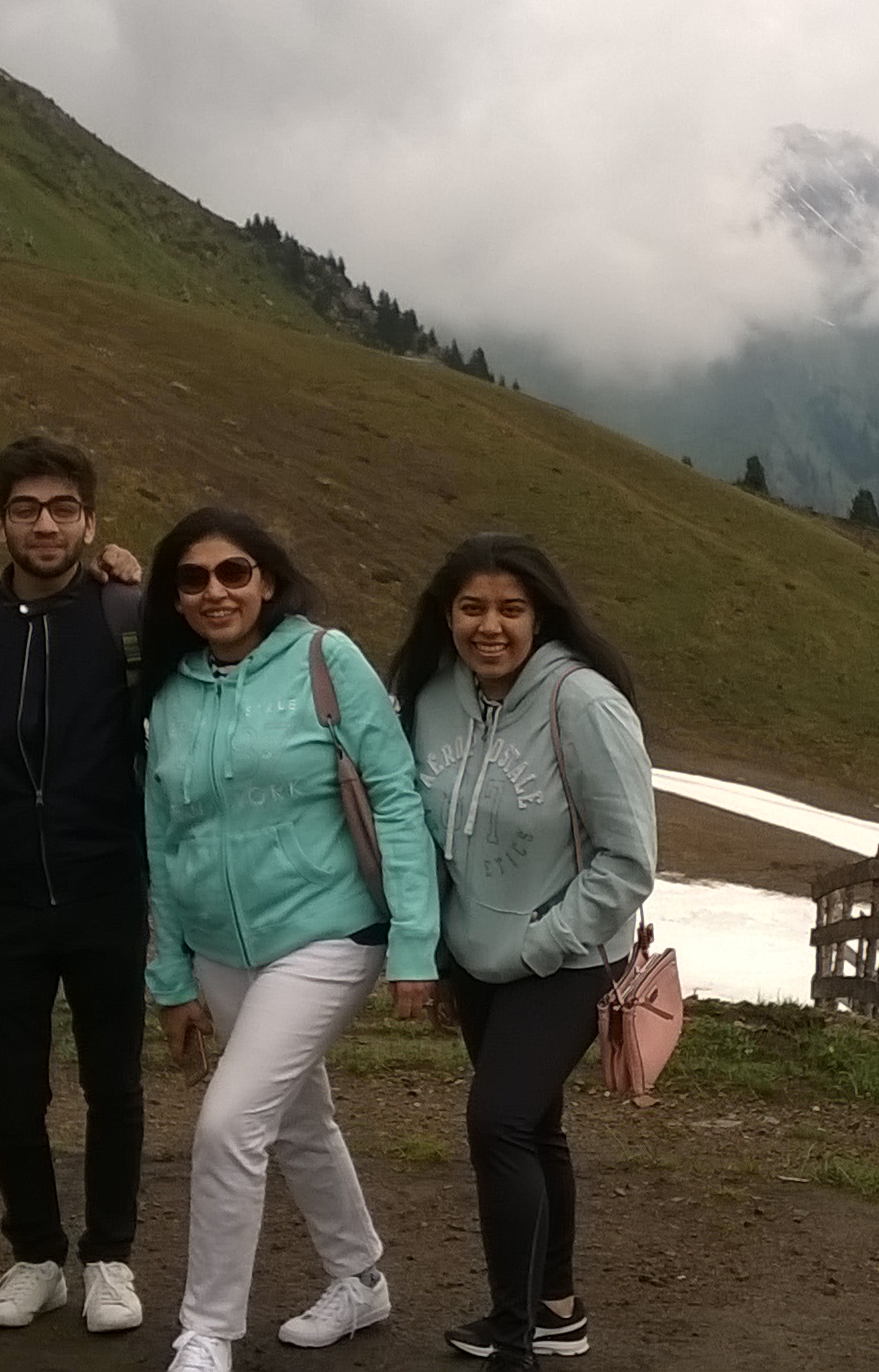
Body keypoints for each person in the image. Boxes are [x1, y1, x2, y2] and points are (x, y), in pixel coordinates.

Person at [137, 508, 439, 1372]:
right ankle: (361, 1279)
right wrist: (169, 976)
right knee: (298, 1120)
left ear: (267, 578)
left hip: (327, 931)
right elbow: (162, 839)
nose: (215, 592)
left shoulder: (325, 659)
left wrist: (415, 945)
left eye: (234, 572)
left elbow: (395, 801)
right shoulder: (170, 689)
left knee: (229, 1124)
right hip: (216, 948)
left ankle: (206, 1332)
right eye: (192, 579)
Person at [387, 535, 656, 1372]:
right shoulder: (429, 696)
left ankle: (513, 1342)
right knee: (533, 1128)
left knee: (497, 1121)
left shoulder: (583, 703)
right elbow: (419, 832)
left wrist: (542, 942)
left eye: (510, 609)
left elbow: (629, 861)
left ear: (542, 614)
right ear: (446, 614)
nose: (490, 627)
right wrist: (434, 947)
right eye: (471, 608)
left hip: (569, 957)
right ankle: (556, 1310)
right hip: (473, 956)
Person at [0, 436, 148, 1334]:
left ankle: (109, 1258)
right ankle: (35, 1255)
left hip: (107, 888)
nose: (46, 524)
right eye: (26, 509)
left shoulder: (125, 617)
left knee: (115, 1083)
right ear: (0, 522)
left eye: (64, 508)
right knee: (10, 1086)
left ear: (90, 520)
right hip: (2, 897)